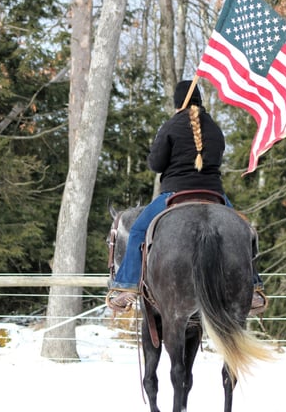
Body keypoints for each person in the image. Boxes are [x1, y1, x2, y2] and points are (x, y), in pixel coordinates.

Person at [105, 79, 267, 316]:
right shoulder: (214, 128)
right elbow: (218, 157)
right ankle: (252, 287)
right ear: (200, 101)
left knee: (138, 231)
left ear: (177, 103)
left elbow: (156, 163)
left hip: (175, 193)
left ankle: (127, 286)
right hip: (214, 194)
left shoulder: (171, 126)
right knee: (245, 232)